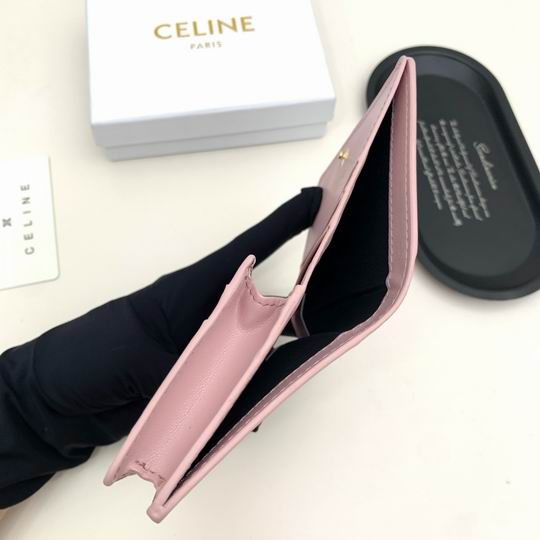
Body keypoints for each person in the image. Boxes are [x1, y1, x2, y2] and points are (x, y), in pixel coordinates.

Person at [0, 188, 322, 511]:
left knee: (190, 325)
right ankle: (309, 300)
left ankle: (318, 209)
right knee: (225, 375)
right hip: (73, 419)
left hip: (46, 384)